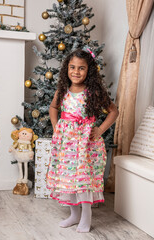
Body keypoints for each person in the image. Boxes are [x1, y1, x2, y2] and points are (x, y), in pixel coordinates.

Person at [46, 48, 119, 233]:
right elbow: (53, 108)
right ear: (66, 69)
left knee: (83, 180)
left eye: (81, 68)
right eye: (72, 67)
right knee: (69, 179)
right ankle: (74, 215)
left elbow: (113, 111)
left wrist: (100, 129)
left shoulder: (93, 91)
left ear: (89, 71)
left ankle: (86, 217)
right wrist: (56, 127)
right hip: (67, 145)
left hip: (86, 145)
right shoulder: (62, 90)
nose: (76, 72)